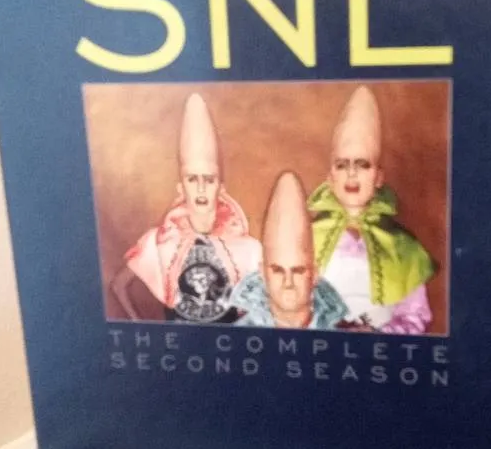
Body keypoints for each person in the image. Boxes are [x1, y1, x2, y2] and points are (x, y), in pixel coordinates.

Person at [111, 93, 261, 322]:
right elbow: (119, 285)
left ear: (221, 188)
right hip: (182, 340)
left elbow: (266, 300)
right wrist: (137, 321)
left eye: (209, 180)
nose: (201, 188)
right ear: (181, 188)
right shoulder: (160, 242)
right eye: (192, 179)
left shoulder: (248, 248)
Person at [307, 85, 437, 333]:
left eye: (363, 164)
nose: (352, 174)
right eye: (342, 165)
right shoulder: (305, 238)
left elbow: (415, 317)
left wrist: (376, 336)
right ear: (330, 178)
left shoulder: (403, 245)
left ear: (378, 177)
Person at [231, 171, 348, 329]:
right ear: (263, 273)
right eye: (278, 270)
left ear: (314, 274)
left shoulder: (343, 338)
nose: (288, 283)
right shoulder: (238, 336)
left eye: (298, 271)